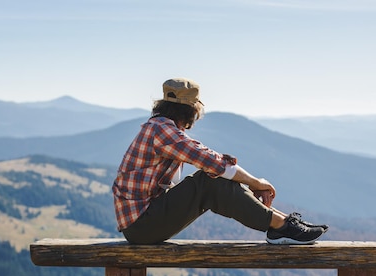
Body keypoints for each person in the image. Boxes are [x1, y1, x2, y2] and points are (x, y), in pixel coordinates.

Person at [112, 78, 328, 245]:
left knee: (211, 178)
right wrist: (256, 183)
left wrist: (241, 181)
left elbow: (212, 163)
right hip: (142, 226)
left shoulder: (160, 127)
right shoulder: (162, 131)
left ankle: (283, 224)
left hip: (144, 222)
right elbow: (211, 162)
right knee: (209, 182)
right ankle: (281, 226)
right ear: (190, 110)